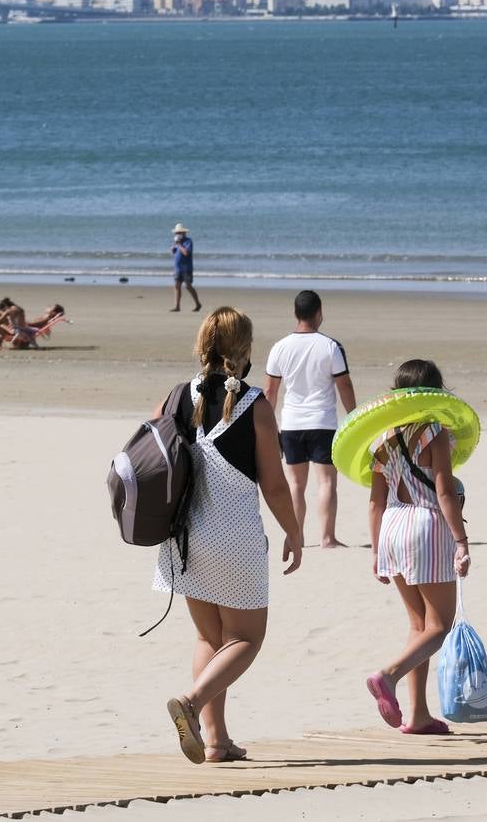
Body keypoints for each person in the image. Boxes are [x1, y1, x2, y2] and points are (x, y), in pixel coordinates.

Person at [154, 307, 303, 765]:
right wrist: (294, 531)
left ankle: (216, 742)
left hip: (181, 537)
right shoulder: (255, 402)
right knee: (246, 639)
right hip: (233, 537)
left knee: (209, 639)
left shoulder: (177, 395)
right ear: (245, 349)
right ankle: (193, 702)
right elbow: (274, 484)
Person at [364, 359, 470, 735]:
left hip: (393, 524)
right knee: (440, 626)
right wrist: (461, 540)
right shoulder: (435, 432)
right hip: (425, 524)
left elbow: (376, 501)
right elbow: (443, 490)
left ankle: (419, 714)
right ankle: (387, 676)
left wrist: (376, 551)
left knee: (418, 625)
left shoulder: (381, 439)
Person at [264, 290, 357, 549]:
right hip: (323, 422)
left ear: (296, 313)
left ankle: (297, 537)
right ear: (319, 313)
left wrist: (269, 426)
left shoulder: (279, 347)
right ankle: (327, 538)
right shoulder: (330, 346)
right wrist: (354, 416)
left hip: (292, 423)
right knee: (326, 481)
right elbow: (345, 385)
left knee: (295, 483)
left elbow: (270, 392)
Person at [170, 223, 201, 313]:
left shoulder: (188, 241)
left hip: (186, 268)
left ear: (184, 233)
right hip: (177, 268)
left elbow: (186, 253)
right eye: (177, 233)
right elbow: (175, 253)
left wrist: (179, 245)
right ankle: (177, 306)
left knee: (188, 286)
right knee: (177, 285)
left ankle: (198, 304)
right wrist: (173, 248)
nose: (178, 234)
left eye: (180, 233)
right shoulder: (176, 242)